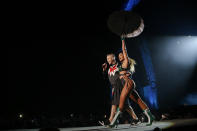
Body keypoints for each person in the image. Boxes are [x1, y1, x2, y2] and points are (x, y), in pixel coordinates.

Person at [109, 36, 155, 127]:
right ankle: (151, 116)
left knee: (121, 102)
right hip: (126, 84)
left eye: (121, 55)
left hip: (127, 83)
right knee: (138, 100)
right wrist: (128, 72)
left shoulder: (126, 61)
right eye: (119, 56)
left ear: (125, 55)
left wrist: (122, 40)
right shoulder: (121, 64)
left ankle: (114, 122)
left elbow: (124, 49)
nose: (120, 56)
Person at [101, 53, 139, 126]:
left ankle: (111, 119)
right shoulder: (109, 68)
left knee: (115, 103)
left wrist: (129, 73)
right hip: (114, 87)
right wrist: (104, 70)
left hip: (121, 86)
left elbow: (128, 70)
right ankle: (136, 119)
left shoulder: (119, 65)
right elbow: (106, 79)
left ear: (113, 58)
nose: (107, 60)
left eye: (109, 58)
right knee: (125, 104)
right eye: (107, 59)